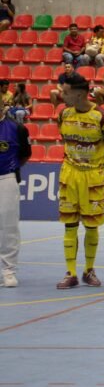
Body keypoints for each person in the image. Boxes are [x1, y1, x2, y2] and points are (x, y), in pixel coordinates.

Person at [56, 74, 104, 289]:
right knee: (69, 225)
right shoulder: (63, 114)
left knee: (92, 226)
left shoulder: (103, 117)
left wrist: (98, 166)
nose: (61, 95)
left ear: (80, 93)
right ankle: (70, 272)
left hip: (93, 176)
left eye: (66, 92)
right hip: (69, 175)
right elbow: (65, 139)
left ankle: (89, 270)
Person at [0, 101, 31, 287]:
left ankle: (8, 271)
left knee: (8, 227)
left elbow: (25, 154)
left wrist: (12, 169)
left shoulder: (17, 128)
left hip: (6, 179)